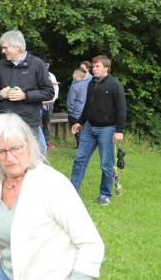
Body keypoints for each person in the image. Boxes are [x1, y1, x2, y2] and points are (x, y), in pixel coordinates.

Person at [0, 113, 105, 280]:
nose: (10, 158)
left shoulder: (53, 184)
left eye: (16, 148)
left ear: (29, 145)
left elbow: (91, 244)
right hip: (5, 272)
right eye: (1, 151)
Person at [71, 55, 127, 206]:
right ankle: (72, 191)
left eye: (97, 66)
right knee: (79, 160)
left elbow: (122, 110)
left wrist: (119, 130)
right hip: (89, 128)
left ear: (106, 68)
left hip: (107, 129)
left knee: (106, 164)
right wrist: (80, 122)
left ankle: (105, 194)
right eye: (93, 66)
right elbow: (88, 106)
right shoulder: (91, 84)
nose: (94, 69)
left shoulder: (115, 85)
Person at [0, 30, 54, 155]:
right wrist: (1, 93)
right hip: (5, 122)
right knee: (9, 157)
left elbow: (49, 92)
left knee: (35, 157)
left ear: (17, 47)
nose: (3, 51)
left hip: (28, 122)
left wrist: (25, 96)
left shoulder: (37, 64)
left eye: (5, 48)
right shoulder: (0, 65)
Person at [67, 68, 88, 147]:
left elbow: (70, 101)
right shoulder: (88, 85)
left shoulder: (74, 86)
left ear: (76, 75)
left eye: (73, 73)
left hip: (75, 113)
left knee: (77, 132)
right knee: (84, 133)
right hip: (86, 113)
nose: (72, 75)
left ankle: (80, 150)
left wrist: (70, 112)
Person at [41, 58, 59, 148]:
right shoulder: (36, 75)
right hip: (39, 104)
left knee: (47, 123)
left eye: (47, 65)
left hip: (49, 104)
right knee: (36, 123)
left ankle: (46, 141)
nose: (46, 66)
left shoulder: (51, 75)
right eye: (44, 64)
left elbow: (56, 89)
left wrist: (53, 100)